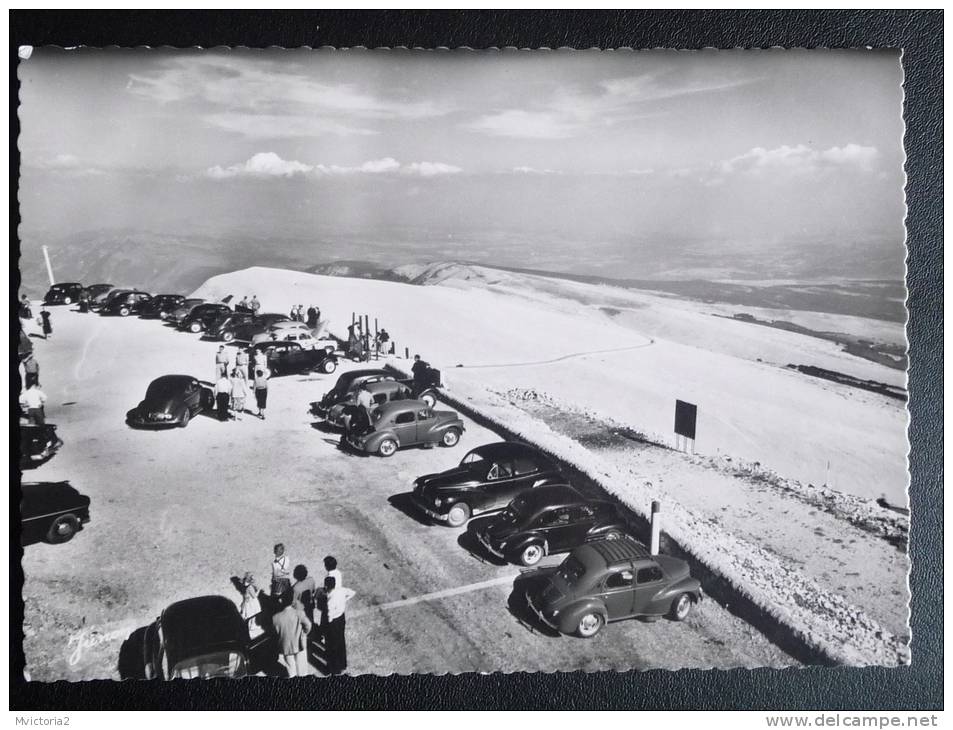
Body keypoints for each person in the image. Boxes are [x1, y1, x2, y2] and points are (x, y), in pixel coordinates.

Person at [272, 589, 312, 678]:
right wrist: (304, 633)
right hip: (299, 644)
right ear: (291, 601)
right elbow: (308, 625)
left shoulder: (275, 618)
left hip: (286, 646)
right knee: (302, 670)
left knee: (291, 670)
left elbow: (275, 632)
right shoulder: (299, 613)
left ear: (281, 601)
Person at [323, 576, 355, 675]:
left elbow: (329, 616)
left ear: (326, 586)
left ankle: (334, 669)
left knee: (332, 646)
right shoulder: (341, 590)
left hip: (333, 622)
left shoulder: (330, 601)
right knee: (341, 641)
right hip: (341, 618)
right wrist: (344, 601)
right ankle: (343, 664)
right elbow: (353, 593)